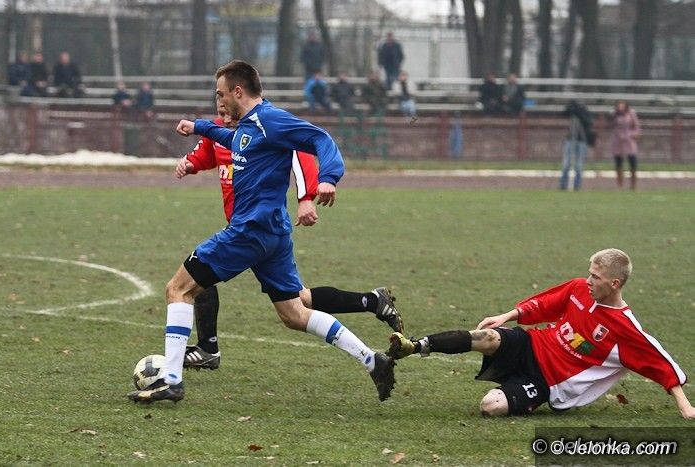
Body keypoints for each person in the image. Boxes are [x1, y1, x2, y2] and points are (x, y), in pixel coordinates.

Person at [127, 60, 397, 404]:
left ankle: (171, 381)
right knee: (294, 314)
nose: (218, 100)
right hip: (273, 234)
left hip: (249, 231)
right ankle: (373, 361)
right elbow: (236, 139)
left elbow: (320, 138)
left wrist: (328, 178)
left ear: (238, 91)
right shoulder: (250, 125)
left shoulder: (271, 120)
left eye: (221, 94)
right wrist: (199, 127)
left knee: (178, 289)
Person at [176, 102, 403, 369]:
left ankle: (205, 350)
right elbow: (207, 151)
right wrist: (191, 163)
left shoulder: (265, 128)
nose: (225, 118)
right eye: (220, 113)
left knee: (196, 277)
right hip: (247, 227)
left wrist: (305, 198)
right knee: (298, 303)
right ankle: (372, 303)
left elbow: (301, 153)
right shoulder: (222, 131)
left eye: (228, 112)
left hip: (253, 229)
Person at [387, 248, 694, 419]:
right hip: (533, 344)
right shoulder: (579, 289)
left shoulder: (624, 328)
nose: (588, 280)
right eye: (589, 272)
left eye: (596, 276)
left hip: (546, 382)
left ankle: (513, 389)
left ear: (614, 284)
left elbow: (659, 363)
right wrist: (507, 316)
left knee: (490, 406)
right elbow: (545, 304)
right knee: (487, 336)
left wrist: (685, 407)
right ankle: (414, 346)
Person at [559, 100, 593, 191]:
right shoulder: (573, 113)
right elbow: (563, 114)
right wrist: (569, 108)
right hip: (570, 139)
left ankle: (577, 185)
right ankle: (563, 184)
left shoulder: (585, 113)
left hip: (581, 140)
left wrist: (579, 113)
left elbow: (588, 122)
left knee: (579, 164)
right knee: (566, 163)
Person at [611, 100, 640, 191]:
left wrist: (632, 134)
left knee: (632, 164)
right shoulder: (615, 115)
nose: (620, 108)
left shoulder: (631, 114)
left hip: (629, 142)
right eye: (619, 106)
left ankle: (633, 185)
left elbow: (637, 127)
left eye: (622, 106)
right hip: (618, 142)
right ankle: (620, 186)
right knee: (618, 164)